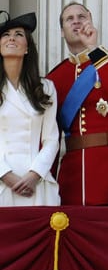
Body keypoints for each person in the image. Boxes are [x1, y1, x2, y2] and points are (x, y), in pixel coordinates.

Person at [47, 1, 108, 206]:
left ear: (91, 22)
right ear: (62, 32)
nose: (76, 22)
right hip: (72, 177)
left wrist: (94, 49)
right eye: (69, 19)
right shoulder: (54, 78)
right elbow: (50, 136)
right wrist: (46, 180)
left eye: (81, 17)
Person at [0, 12, 60, 206]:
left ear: (27, 48)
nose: (11, 38)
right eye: (5, 34)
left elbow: (51, 139)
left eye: (19, 34)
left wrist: (34, 175)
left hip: (36, 183)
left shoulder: (46, 88)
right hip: (2, 182)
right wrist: (6, 176)